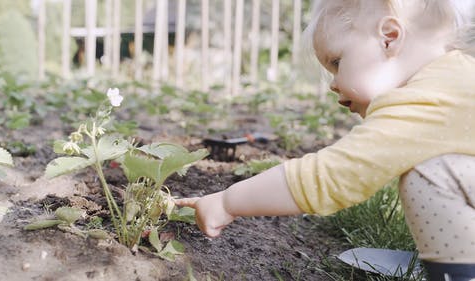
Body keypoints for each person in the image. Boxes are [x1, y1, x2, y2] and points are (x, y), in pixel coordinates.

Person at [176, 1, 475, 280]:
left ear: (388, 37)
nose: (332, 83)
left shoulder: (429, 99)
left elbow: (334, 174)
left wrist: (228, 202)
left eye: (336, 61)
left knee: (430, 174)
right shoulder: (454, 79)